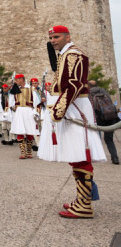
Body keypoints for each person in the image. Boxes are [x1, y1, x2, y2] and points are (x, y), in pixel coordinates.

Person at [38, 25, 106, 219]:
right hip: (70, 108)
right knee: (75, 156)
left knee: (80, 156)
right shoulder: (65, 55)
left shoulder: (73, 55)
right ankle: (82, 199)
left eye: (57, 37)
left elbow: (74, 84)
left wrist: (59, 111)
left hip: (72, 109)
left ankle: (84, 205)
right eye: (51, 38)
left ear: (68, 37)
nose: (53, 41)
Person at [9, 74, 41, 159]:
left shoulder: (31, 89)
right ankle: (23, 152)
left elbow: (37, 102)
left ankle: (29, 151)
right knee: (20, 130)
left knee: (29, 130)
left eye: (17, 80)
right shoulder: (15, 89)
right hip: (19, 111)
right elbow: (10, 102)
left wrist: (35, 112)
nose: (15, 82)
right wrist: (13, 107)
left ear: (21, 79)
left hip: (28, 111)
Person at [88, 80, 119, 165]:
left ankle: (95, 157)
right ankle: (114, 157)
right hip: (109, 118)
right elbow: (111, 104)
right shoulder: (104, 91)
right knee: (109, 139)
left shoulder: (88, 93)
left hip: (97, 119)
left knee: (94, 139)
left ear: (89, 86)